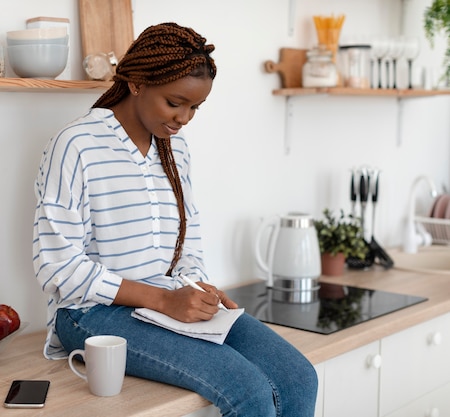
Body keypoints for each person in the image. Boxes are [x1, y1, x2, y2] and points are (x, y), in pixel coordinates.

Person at [33, 22, 318, 417]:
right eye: (175, 102)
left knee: (299, 377)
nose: (184, 117)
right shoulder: (77, 145)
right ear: (136, 83)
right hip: (90, 314)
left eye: (194, 107)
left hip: (166, 299)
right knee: (249, 392)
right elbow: (58, 268)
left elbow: (188, 239)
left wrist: (195, 284)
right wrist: (164, 300)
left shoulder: (174, 148)